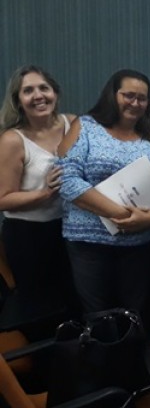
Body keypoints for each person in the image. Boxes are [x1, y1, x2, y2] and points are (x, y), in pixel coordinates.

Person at [57, 69, 150, 315]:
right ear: (113, 95)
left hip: (139, 244)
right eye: (129, 95)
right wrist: (122, 214)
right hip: (89, 244)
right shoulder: (86, 126)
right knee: (98, 316)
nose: (135, 103)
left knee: (134, 314)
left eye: (142, 98)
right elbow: (67, 179)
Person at [0, 65, 78, 317]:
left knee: (76, 304)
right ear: (18, 101)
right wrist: (45, 194)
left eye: (44, 88)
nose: (38, 96)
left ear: (55, 92)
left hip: (72, 230)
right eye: (28, 91)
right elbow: (3, 199)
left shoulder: (73, 123)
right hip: (29, 237)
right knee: (42, 311)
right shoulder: (12, 140)